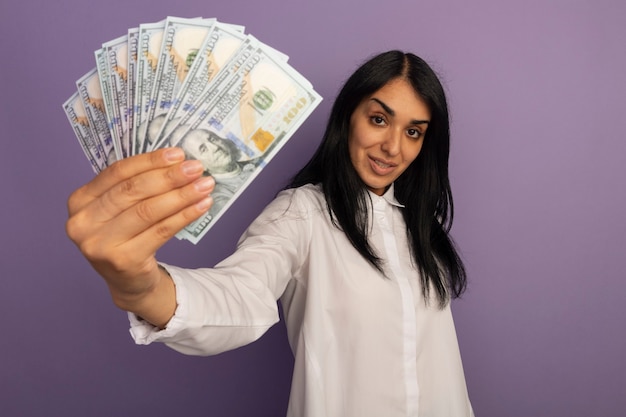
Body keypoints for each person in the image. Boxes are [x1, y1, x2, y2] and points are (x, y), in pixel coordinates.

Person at [66, 50, 474, 416]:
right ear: (349, 117)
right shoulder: (303, 212)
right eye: (379, 119)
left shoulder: (423, 232)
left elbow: (444, 370)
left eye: (413, 132)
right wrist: (143, 289)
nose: (393, 147)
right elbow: (242, 295)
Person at [178, 128, 260, 217]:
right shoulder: (219, 199)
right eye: (204, 149)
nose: (215, 147)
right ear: (200, 166)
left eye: (213, 139)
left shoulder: (258, 162)